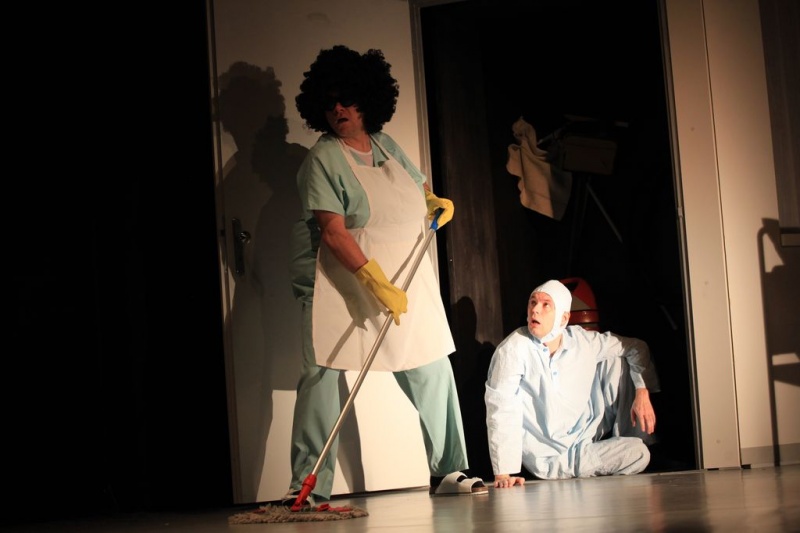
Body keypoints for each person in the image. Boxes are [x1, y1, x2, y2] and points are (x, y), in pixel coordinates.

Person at [284, 44, 487, 506]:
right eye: (330, 103)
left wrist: (434, 202)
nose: (338, 110)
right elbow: (333, 232)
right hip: (337, 279)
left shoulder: (385, 144)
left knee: (430, 362)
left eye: (347, 100)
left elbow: (419, 188)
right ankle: (306, 487)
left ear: (368, 99)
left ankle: (449, 470)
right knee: (322, 373)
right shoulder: (321, 160)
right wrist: (373, 281)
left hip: (401, 274)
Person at [485, 279, 660, 487]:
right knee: (639, 453)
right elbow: (501, 407)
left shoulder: (580, 340)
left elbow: (636, 348)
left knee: (616, 361)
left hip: (585, 432)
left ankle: (633, 437)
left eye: (545, 305)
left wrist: (642, 392)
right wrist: (504, 473)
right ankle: (621, 453)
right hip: (554, 457)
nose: (535, 310)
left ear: (563, 318)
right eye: (532, 302)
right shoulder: (513, 349)